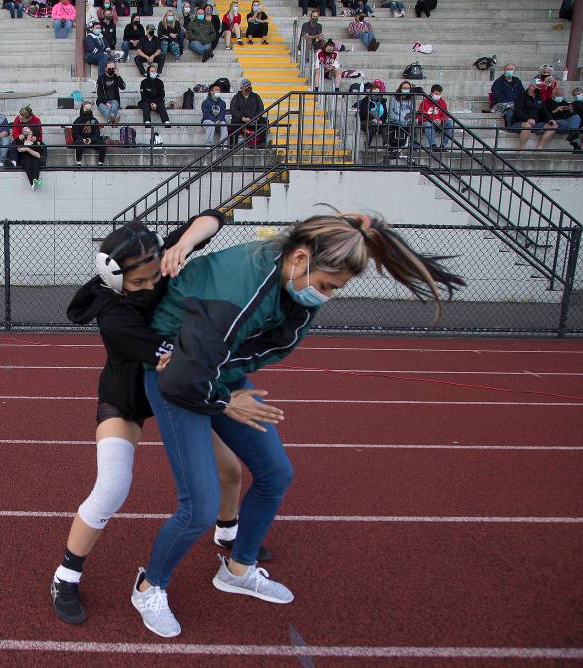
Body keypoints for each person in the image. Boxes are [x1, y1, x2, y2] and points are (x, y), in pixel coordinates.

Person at [130, 213, 464, 639]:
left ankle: (238, 569)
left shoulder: (293, 272)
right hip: (173, 375)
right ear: (301, 258)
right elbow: (182, 378)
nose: (325, 297)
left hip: (215, 369)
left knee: (275, 473)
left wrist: (226, 386)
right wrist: (224, 400)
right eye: (325, 286)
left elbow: (255, 348)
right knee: (198, 505)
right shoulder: (238, 293)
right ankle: (148, 586)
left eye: (334, 290)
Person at [52, 212, 252, 625]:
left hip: (175, 394)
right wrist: (227, 397)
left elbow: (214, 219)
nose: (148, 288)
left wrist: (183, 244)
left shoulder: (154, 259)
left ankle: (228, 534)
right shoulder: (114, 318)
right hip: (128, 398)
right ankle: (66, 575)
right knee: (111, 486)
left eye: (153, 280)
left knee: (230, 469)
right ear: (113, 279)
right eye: (138, 284)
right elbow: (173, 358)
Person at [508, 82, 555, 150]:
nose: (540, 89)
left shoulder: (539, 98)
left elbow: (545, 111)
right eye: (538, 87)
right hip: (519, 123)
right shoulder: (521, 96)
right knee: (527, 125)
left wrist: (550, 119)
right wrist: (527, 119)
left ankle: (539, 148)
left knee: (553, 126)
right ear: (531, 87)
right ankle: (521, 149)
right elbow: (518, 112)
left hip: (535, 123)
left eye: (540, 87)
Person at [546, 86, 583, 152]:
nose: (560, 96)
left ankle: (573, 137)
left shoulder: (564, 102)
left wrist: (571, 110)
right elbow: (546, 115)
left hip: (567, 120)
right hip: (557, 121)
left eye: (562, 95)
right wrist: (556, 110)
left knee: (576, 117)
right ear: (553, 95)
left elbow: (573, 114)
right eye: (558, 95)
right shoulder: (548, 102)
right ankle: (575, 142)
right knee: (568, 124)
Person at [417, 83, 453, 150]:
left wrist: (441, 120)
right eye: (436, 93)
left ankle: (443, 146)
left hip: (439, 122)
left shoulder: (442, 102)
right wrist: (432, 120)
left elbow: (445, 114)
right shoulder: (424, 102)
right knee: (428, 124)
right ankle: (433, 145)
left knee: (450, 123)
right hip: (429, 122)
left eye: (439, 94)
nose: (438, 95)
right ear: (431, 93)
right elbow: (420, 116)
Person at [386, 80, 417, 158]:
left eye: (408, 88)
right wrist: (401, 119)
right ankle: (399, 145)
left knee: (414, 123)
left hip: (407, 120)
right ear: (400, 88)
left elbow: (413, 112)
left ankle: (413, 144)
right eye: (404, 88)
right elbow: (391, 113)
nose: (406, 89)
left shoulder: (411, 99)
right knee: (403, 124)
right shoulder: (394, 97)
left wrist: (409, 118)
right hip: (396, 120)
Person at [229, 78, 265, 144]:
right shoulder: (236, 97)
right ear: (241, 88)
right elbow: (233, 110)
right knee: (234, 122)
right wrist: (242, 118)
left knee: (264, 121)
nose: (248, 87)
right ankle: (233, 145)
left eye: (249, 85)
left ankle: (262, 143)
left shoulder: (256, 96)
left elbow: (261, 109)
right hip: (241, 120)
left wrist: (257, 117)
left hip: (254, 119)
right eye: (246, 86)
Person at [356, 82, 386, 146]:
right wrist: (372, 119)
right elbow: (363, 113)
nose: (375, 94)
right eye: (373, 92)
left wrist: (381, 120)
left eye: (377, 93)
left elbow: (385, 114)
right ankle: (367, 143)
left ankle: (386, 144)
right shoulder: (365, 100)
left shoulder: (383, 101)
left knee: (384, 126)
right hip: (366, 121)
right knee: (373, 125)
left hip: (379, 122)